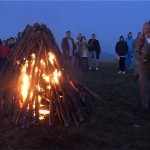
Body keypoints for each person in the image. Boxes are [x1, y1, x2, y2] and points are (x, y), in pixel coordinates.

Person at [134, 21, 150, 112]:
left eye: (149, 28)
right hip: (143, 68)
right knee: (144, 89)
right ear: (143, 30)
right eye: (146, 28)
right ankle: (145, 106)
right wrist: (141, 58)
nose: (148, 30)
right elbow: (136, 53)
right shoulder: (140, 40)